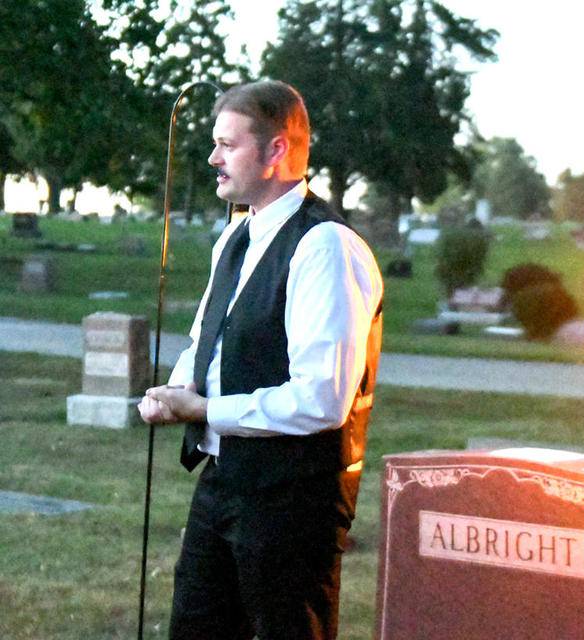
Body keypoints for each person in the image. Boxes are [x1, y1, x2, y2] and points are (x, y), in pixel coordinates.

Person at [138, 80, 383, 640]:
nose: (212, 158)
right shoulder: (236, 236)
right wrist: (171, 392)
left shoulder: (325, 246)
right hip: (223, 480)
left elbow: (322, 399)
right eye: (213, 142)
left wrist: (203, 408)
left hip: (293, 499)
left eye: (228, 144)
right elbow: (209, 338)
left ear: (277, 151)